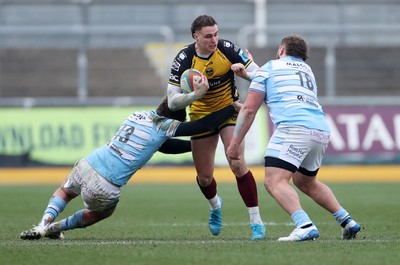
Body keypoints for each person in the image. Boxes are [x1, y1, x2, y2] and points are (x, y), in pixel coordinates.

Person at [20, 93, 242, 240]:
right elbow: (201, 126)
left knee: (66, 191)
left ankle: (42, 224)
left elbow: (162, 147)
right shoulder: (163, 127)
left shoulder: (138, 115)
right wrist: (230, 108)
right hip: (105, 185)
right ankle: (57, 228)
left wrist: (192, 149)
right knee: (103, 212)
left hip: (88, 164)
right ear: (175, 119)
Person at [227, 34, 361, 242]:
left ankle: (304, 225)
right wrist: (249, 75)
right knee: (306, 181)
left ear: (282, 50)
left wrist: (234, 143)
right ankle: (347, 221)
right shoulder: (307, 71)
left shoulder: (270, 68)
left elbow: (249, 110)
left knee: (274, 181)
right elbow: (278, 88)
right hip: (320, 129)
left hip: (294, 128)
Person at [166, 14, 265, 240]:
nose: (214, 40)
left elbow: (261, 75)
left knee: (237, 163)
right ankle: (215, 206)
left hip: (229, 112)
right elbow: (172, 101)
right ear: (196, 37)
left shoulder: (227, 48)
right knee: (204, 178)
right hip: (200, 117)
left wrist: (246, 74)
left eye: (216, 34)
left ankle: (256, 222)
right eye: (208, 36)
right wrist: (194, 95)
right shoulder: (184, 58)